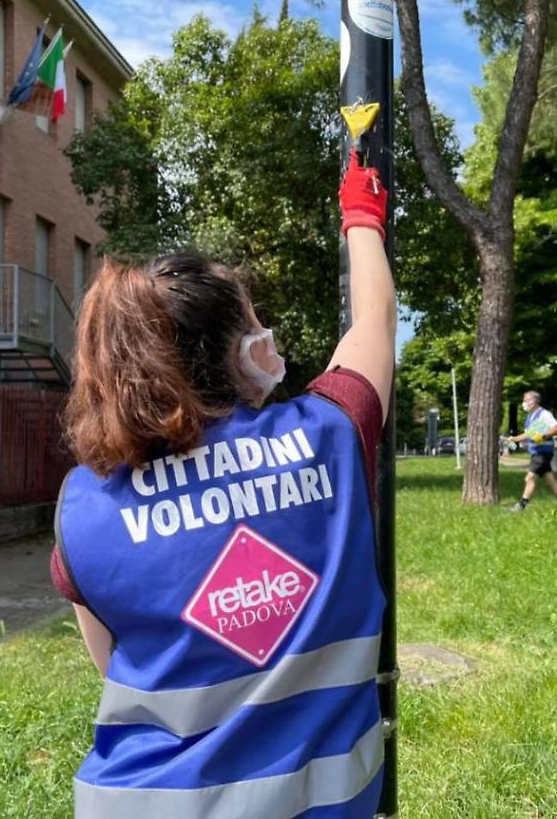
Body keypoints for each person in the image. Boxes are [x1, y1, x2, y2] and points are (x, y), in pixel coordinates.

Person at [48, 151, 394, 818]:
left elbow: (116, 668)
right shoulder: (331, 433)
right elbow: (374, 323)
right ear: (238, 351)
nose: (267, 333)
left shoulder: (84, 506)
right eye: (255, 319)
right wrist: (361, 212)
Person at [507, 390, 557, 512]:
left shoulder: (544, 414)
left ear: (533, 401)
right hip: (536, 452)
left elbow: (556, 429)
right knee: (550, 479)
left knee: (530, 478)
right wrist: (513, 439)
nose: (523, 403)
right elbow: (529, 434)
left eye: (525, 400)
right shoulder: (531, 416)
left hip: (543, 452)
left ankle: (521, 506)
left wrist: (543, 435)